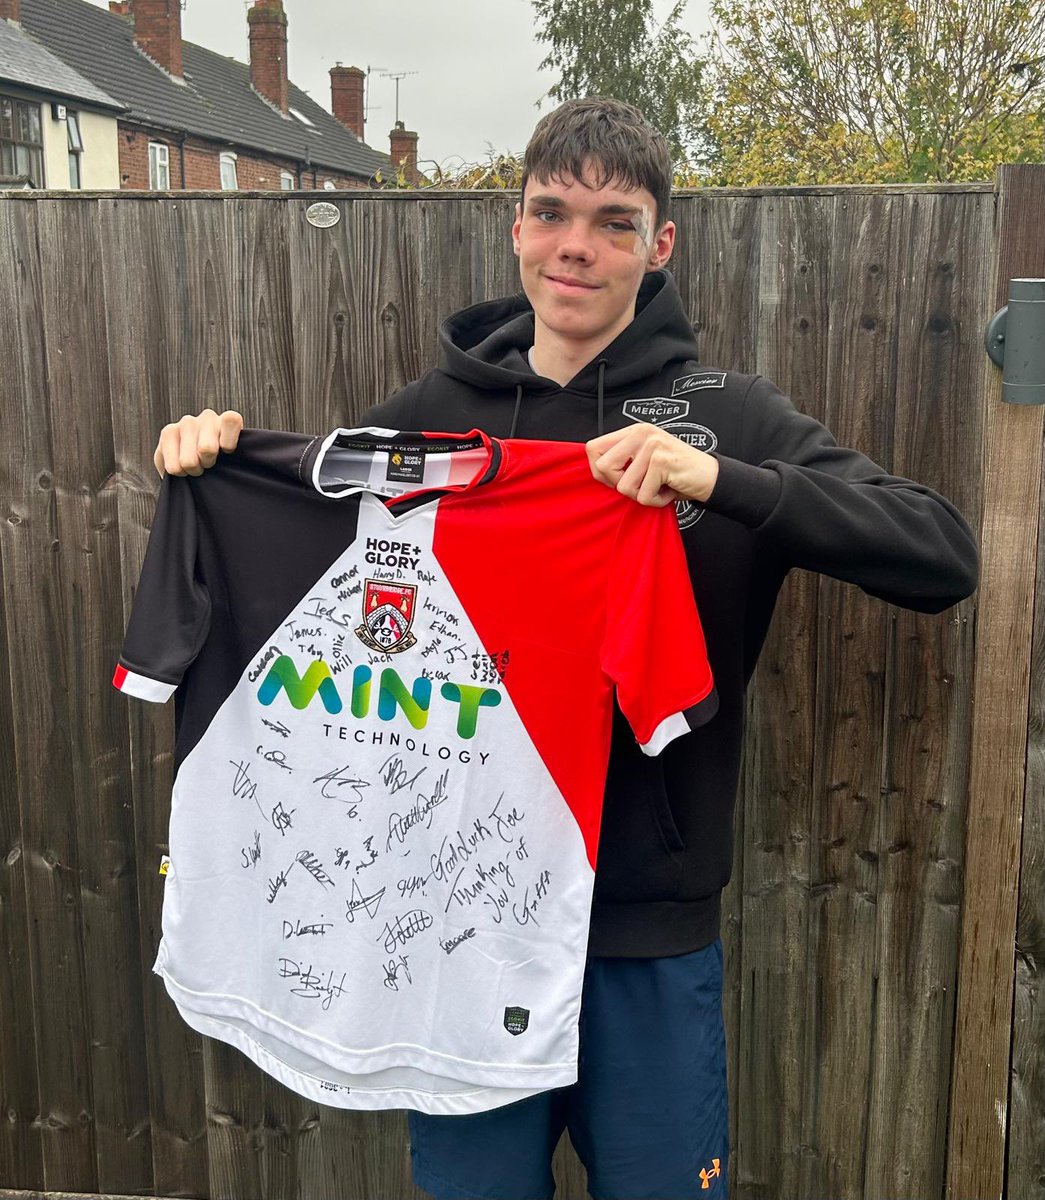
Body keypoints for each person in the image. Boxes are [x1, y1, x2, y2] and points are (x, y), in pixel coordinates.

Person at [153, 98, 978, 1200]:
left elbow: (941, 554)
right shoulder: (428, 423)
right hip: (457, 928)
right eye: (551, 212)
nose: (575, 245)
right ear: (516, 225)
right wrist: (217, 462)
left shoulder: (726, 416)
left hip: (641, 931)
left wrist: (721, 483)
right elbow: (314, 563)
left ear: (660, 243)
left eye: (613, 220)